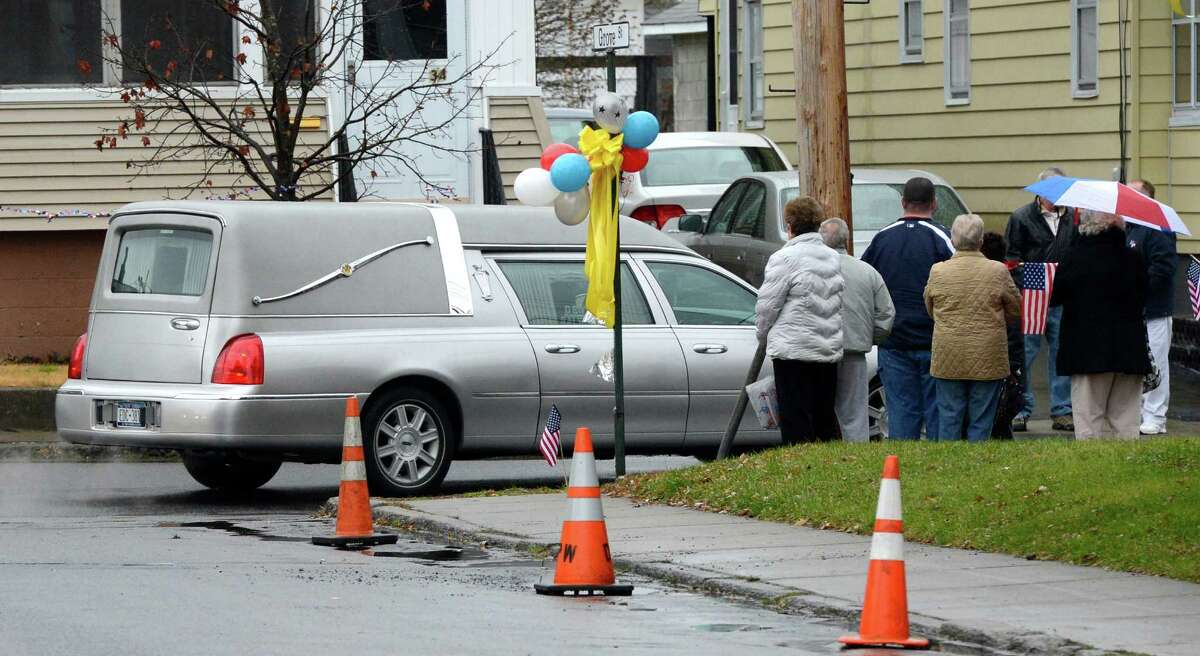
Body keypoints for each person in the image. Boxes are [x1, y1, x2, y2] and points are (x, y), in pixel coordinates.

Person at [861, 177, 954, 440]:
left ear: (903, 203)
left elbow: (867, 279)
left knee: (901, 411)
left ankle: (903, 465)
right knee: (937, 410)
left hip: (894, 339)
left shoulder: (882, 238)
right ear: (934, 203)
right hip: (934, 339)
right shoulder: (944, 238)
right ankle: (938, 465)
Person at [1050, 210, 1150, 439]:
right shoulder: (1134, 258)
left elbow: (1057, 298)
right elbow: (1144, 296)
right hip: (1128, 349)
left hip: (1086, 350)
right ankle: (1127, 467)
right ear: (1114, 223)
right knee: (1126, 421)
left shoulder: (1073, 257)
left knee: (1088, 420)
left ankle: (1090, 468)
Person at [756, 196, 845, 444]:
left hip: (793, 352)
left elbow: (767, 305)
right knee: (823, 419)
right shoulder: (832, 257)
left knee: (796, 423)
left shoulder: (784, 258)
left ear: (790, 226)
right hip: (827, 350)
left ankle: (797, 469)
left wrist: (762, 335)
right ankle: (823, 470)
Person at [924, 215, 1021, 442]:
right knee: (982, 417)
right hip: (988, 353)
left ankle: (949, 462)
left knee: (949, 415)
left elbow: (930, 308)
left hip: (948, 352)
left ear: (953, 239)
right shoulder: (997, 271)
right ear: (980, 241)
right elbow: (1015, 309)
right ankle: (977, 462)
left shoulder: (938, 271)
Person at [1005, 167, 1077, 432]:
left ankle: (1062, 409)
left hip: (1062, 295)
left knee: (1061, 353)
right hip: (1031, 294)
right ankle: (1021, 408)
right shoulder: (1021, 217)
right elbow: (1011, 259)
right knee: (1025, 353)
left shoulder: (1073, 218)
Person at [819, 218, 895, 442]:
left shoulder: (815, 269)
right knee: (854, 414)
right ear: (847, 239)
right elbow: (886, 315)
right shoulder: (867, 271)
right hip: (854, 351)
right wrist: (869, 338)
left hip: (819, 351)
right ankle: (855, 456)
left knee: (821, 410)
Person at [1124, 179, 1177, 435]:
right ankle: (1140, 410)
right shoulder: (1130, 228)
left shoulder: (1158, 227)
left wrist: (1138, 289)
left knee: (1157, 363)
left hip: (1155, 309)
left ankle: (1156, 416)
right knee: (1139, 362)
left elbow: (1163, 268)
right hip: (1133, 310)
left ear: (1146, 198)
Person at [980, 231, 1026, 439]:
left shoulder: (981, 279)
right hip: (1005, 357)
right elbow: (1014, 322)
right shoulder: (1009, 279)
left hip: (983, 355)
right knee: (1001, 414)